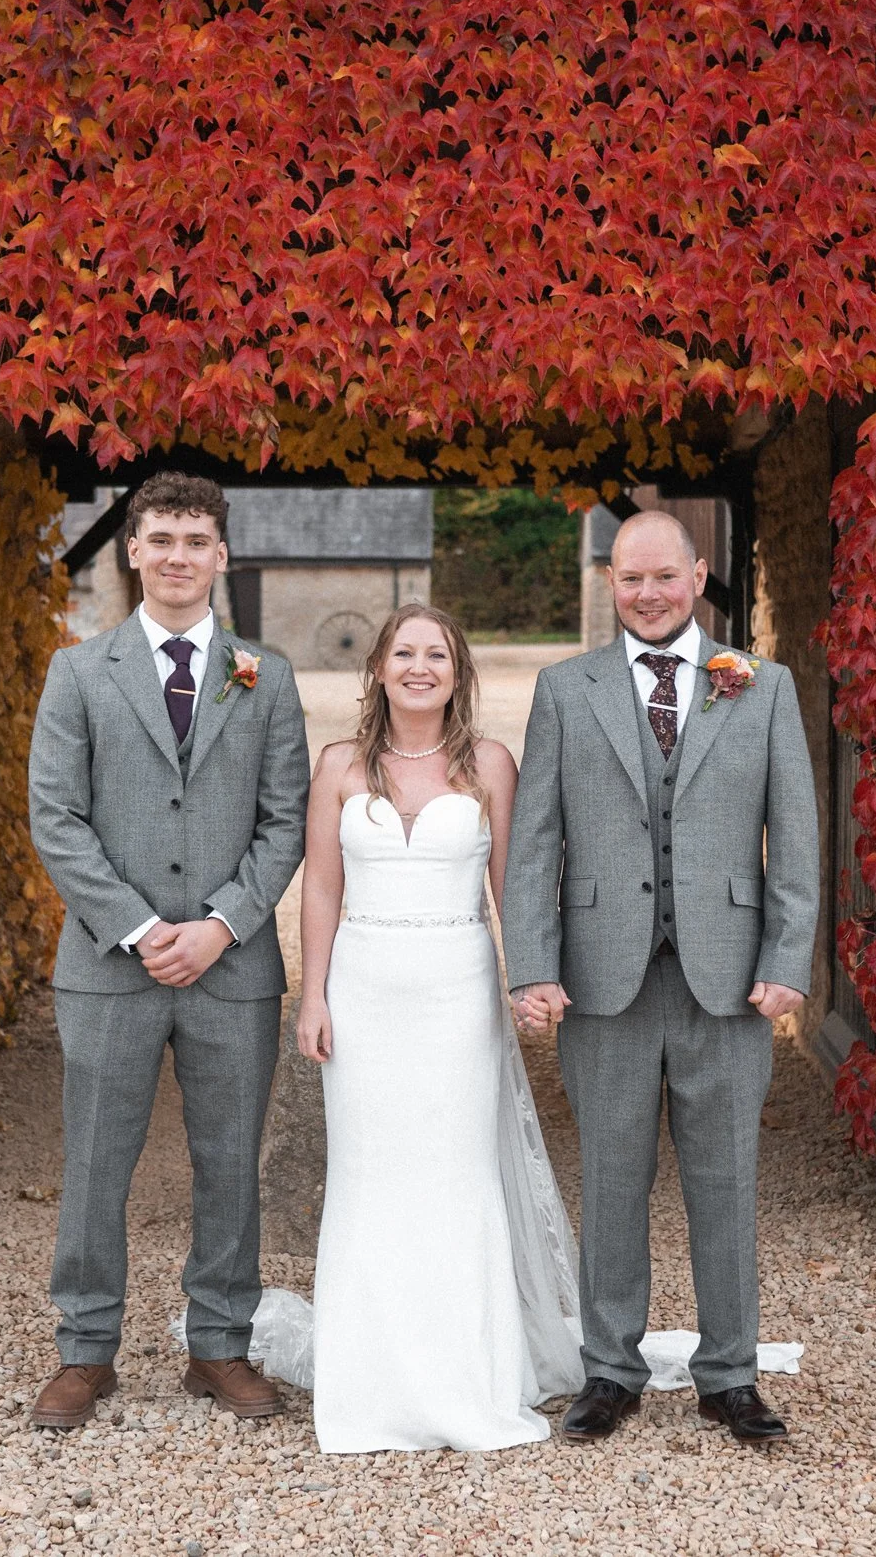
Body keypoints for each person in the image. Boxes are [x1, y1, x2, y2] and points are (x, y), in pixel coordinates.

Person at [502, 510, 819, 1447]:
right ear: (612, 581)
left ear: (700, 574)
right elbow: (534, 845)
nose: (647, 593)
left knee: (726, 1180)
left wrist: (788, 960)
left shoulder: (762, 687)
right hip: (605, 980)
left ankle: (730, 1375)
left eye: (665, 577)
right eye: (630, 578)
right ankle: (610, 1369)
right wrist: (533, 966)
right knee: (611, 1177)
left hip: (727, 982)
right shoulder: (567, 689)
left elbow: (796, 838)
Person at [24, 472, 310, 1429]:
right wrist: (146, 929)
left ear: (222, 555)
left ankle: (220, 1345)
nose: (181, 555)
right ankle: (86, 1350)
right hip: (111, 965)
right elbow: (56, 819)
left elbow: (285, 823)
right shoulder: (78, 672)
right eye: (164, 539)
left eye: (198, 539)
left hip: (233, 968)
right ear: (134, 551)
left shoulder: (266, 676)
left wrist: (221, 924)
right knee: (98, 1157)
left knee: (230, 1160)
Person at [294, 604, 584, 1452]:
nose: (420, 667)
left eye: (437, 655)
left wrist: (530, 978)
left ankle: (468, 1376)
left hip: (457, 994)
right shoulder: (340, 765)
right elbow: (320, 888)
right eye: (404, 653)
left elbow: (514, 887)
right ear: (379, 667)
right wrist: (314, 996)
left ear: (458, 672)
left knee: (457, 1177)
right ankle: (372, 1383)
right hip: (365, 991)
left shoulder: (490, 763)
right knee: (368, 1176)